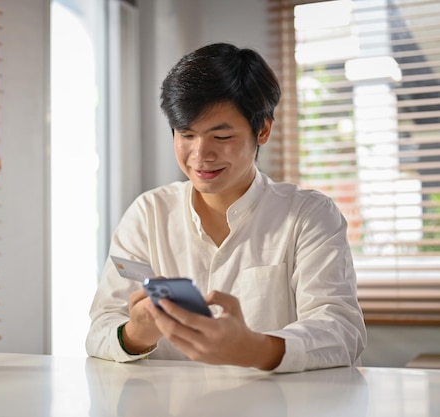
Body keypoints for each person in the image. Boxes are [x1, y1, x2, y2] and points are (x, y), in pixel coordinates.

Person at [85, 42, 367, 373]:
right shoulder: (148, 213)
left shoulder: (308, 215)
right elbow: (100, 331)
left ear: (262, 129)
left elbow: (341, 331)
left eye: (221, 137)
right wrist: (136, 334)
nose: (200, 154)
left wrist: (254, 349)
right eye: (186, 134)